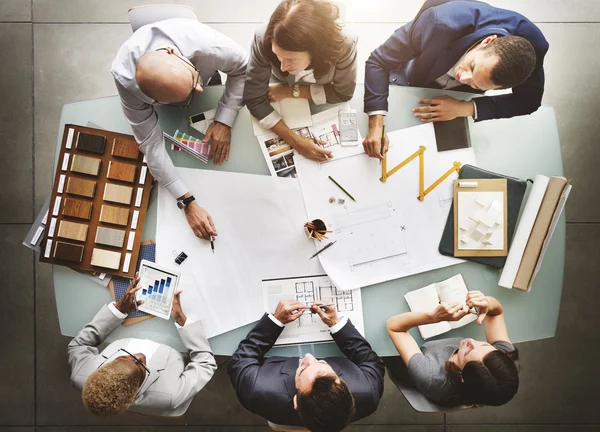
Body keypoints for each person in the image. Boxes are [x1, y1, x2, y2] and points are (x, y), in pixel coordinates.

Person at [111, 18, 248, 240]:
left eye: (194, 78)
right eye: (191, 94)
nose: (201, 89)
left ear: (172, 51)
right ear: (153, 101)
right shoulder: (125, 82)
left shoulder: (206, 44)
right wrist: (187, 201)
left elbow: (245, 66)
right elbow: (150, 144)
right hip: (169, 108)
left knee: (206, 85)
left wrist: (224, 118)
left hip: (206, 65)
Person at [363, 0, 549, 159]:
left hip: (455, 102)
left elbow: (528, 102)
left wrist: (464, 107)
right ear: (487, 41)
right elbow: (378, 61)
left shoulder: (530, 54)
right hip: (419, 70)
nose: (462, 77)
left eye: (475, 83)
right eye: (473, 67)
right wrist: (376, 123)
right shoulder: (438, 23)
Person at [68, 273, 217, 416]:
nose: (139, 355)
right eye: (141, 368)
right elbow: (205, 364)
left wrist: (118, 310)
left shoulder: (82, 374)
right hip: (174, 342)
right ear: (135, 393)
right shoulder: (170, 394)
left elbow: (79, 344)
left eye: (124, 357)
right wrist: (180, 318)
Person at [228, 300, 384, 431]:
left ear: (296, 401)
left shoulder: (256, 390)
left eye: (302, 369)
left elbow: (241, 359)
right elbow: (370, 361)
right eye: (322, 363)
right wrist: (335, 324)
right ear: (346, 388)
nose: (309, 356)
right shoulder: (368, 393)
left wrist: (275, 322)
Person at [244, 0, 358, 162]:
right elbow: (254, 98)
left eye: (291, 59)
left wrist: (291, 92)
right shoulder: (263, 37)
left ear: (316, 51)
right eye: (277, 55)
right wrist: (295, 141)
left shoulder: (345, 42)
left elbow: (343, 93)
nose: (282, 67)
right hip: (289, 93)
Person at [385, 290, 519, 407]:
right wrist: (487, 303)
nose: (471, 341)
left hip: (401, 356)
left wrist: (432, 317)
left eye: (469, 351)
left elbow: (394, 327)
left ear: (462, 377)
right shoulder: (502, 363)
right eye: (484, 344)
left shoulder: (431, 376)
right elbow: (496, 313)